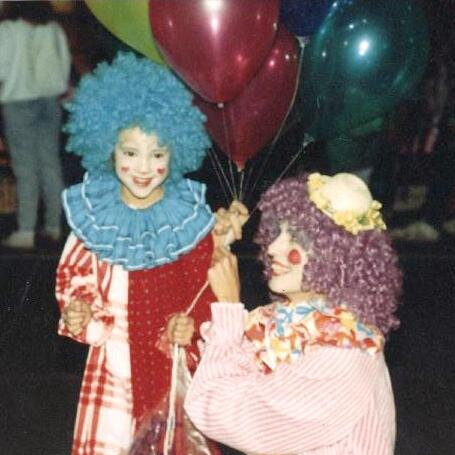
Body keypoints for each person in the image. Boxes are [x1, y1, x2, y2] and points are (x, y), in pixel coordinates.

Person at [55, 52, 247, 455]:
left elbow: (208, 294)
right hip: (111, 370)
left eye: (157, 154)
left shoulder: (187, 220)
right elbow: (76, 279)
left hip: (169, 371)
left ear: (176, 153)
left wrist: (192, 326)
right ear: (108, 150)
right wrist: (80, 310)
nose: (143, 167)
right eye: (130, 153)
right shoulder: (95, 217)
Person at [185, 172, 402, 455]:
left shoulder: (345, 350)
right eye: (277, 232)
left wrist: (228, 307)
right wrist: (216, 246)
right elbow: (216, 370)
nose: (274, 248)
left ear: (333, 258)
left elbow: (221, 410)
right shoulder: (284, 320)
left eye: (295, 239)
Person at [0, 1, 70, 248]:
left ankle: (26, 230)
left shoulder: (8, 30)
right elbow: (64, 65)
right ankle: (54, 226)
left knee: (25, 169)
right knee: (50, 165)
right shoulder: (54, 29)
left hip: (18, 103)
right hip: (50, 103)